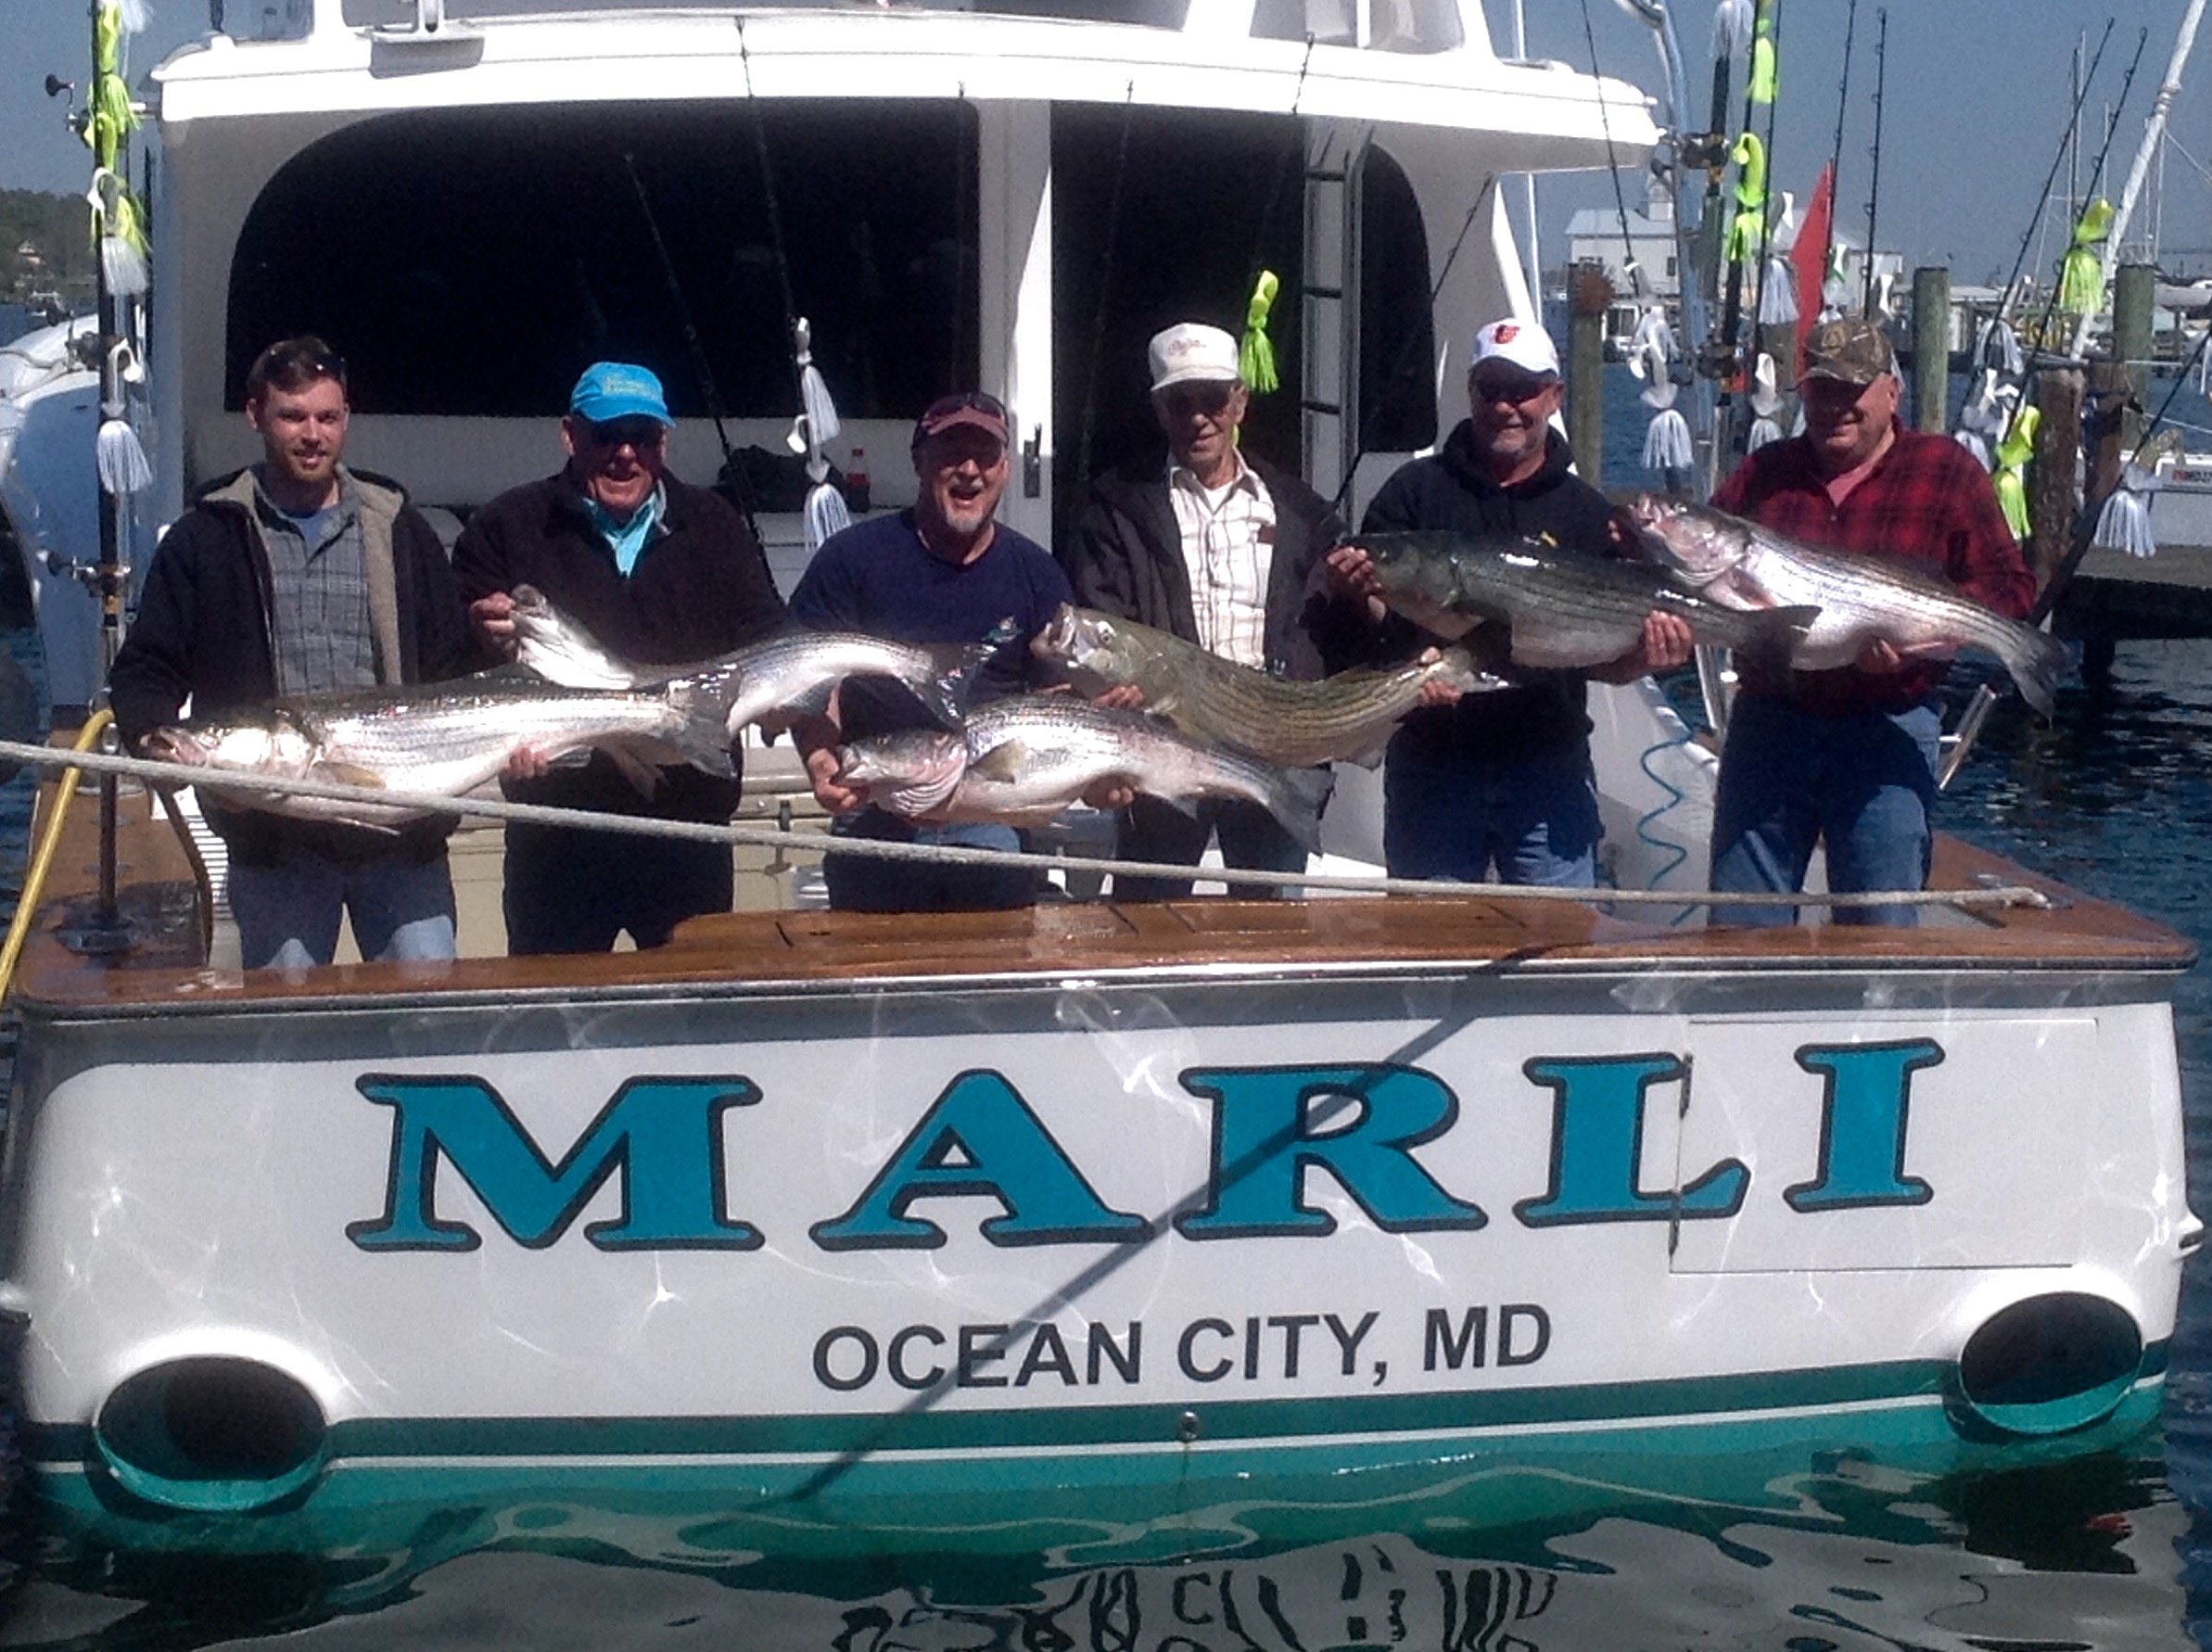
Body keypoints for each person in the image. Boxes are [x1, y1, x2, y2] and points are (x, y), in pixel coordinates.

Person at [109, 337, 470, 970]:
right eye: (293, 417)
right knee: (285, 1022)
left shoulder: (400, 529)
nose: (312, 435)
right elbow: (147, 670)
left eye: (327, 418)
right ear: (255, 417)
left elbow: (454, 667)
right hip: (275, 846)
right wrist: (156, 745)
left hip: (403, 841)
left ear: (346, 419)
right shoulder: (204, 540)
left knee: (429, 1014)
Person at [1326, 317, 1693, 887]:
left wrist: (1650, 656)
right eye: (1489, 389)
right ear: (1471, 392)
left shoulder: (1588, 514)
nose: (1505, 407)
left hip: (1548, 766)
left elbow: (1605, 661)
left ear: (1554, 395)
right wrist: (1356, 596)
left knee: (1556, 948)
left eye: (1522, 390)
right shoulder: (1412, 494)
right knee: (1432, 949)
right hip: (1433, 765)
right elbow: (1379, 634)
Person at [1705, 316, 2036, 927]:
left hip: (1886, 728)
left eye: (1852, 390)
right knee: (1740, 923)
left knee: (1881, 928)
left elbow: (2011, 588)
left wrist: (1931, 636)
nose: (1835, 407)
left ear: (1891, 392)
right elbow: (1703, 564)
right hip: (1770, 723)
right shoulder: (1763, 473)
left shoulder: (1946, 469)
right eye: (1820, 390)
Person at [454, 361, 789, 954]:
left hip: (688, 833)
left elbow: (765, 634)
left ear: (664, 441)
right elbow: (454, 661)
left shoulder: (715, 525)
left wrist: (792, 700)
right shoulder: (506, 525)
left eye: (644, 437)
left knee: (692, 1022)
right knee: (556, 1024)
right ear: (570, 434)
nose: (625, 454)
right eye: (607, 435)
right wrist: (482, 633)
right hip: (557, 839)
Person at [1062, 321, 1364, 900]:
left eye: (1212, 399)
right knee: (1144, 925)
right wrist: (1113, 689)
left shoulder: (1302, 510)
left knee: (1269, 937)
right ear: (1158, 409)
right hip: (1164, 743)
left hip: (1271, 742)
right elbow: (1103, 617)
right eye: (1180, 402)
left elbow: (1333, 630)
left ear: (1239, 401)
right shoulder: (1115, 507)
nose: (1198, 417)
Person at [792, 391, 1110, 912]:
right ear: (919, 460)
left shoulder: (1036, 573)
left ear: (1005, 468)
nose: (969, 470)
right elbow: (816, 681)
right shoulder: (851, 559)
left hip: (994, 821)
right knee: (873, 982)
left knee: (991, 981)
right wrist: (821, 757)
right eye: (950, 453)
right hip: (875, 812)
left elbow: (1057, 697)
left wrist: (1092, 774)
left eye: (985, 455)